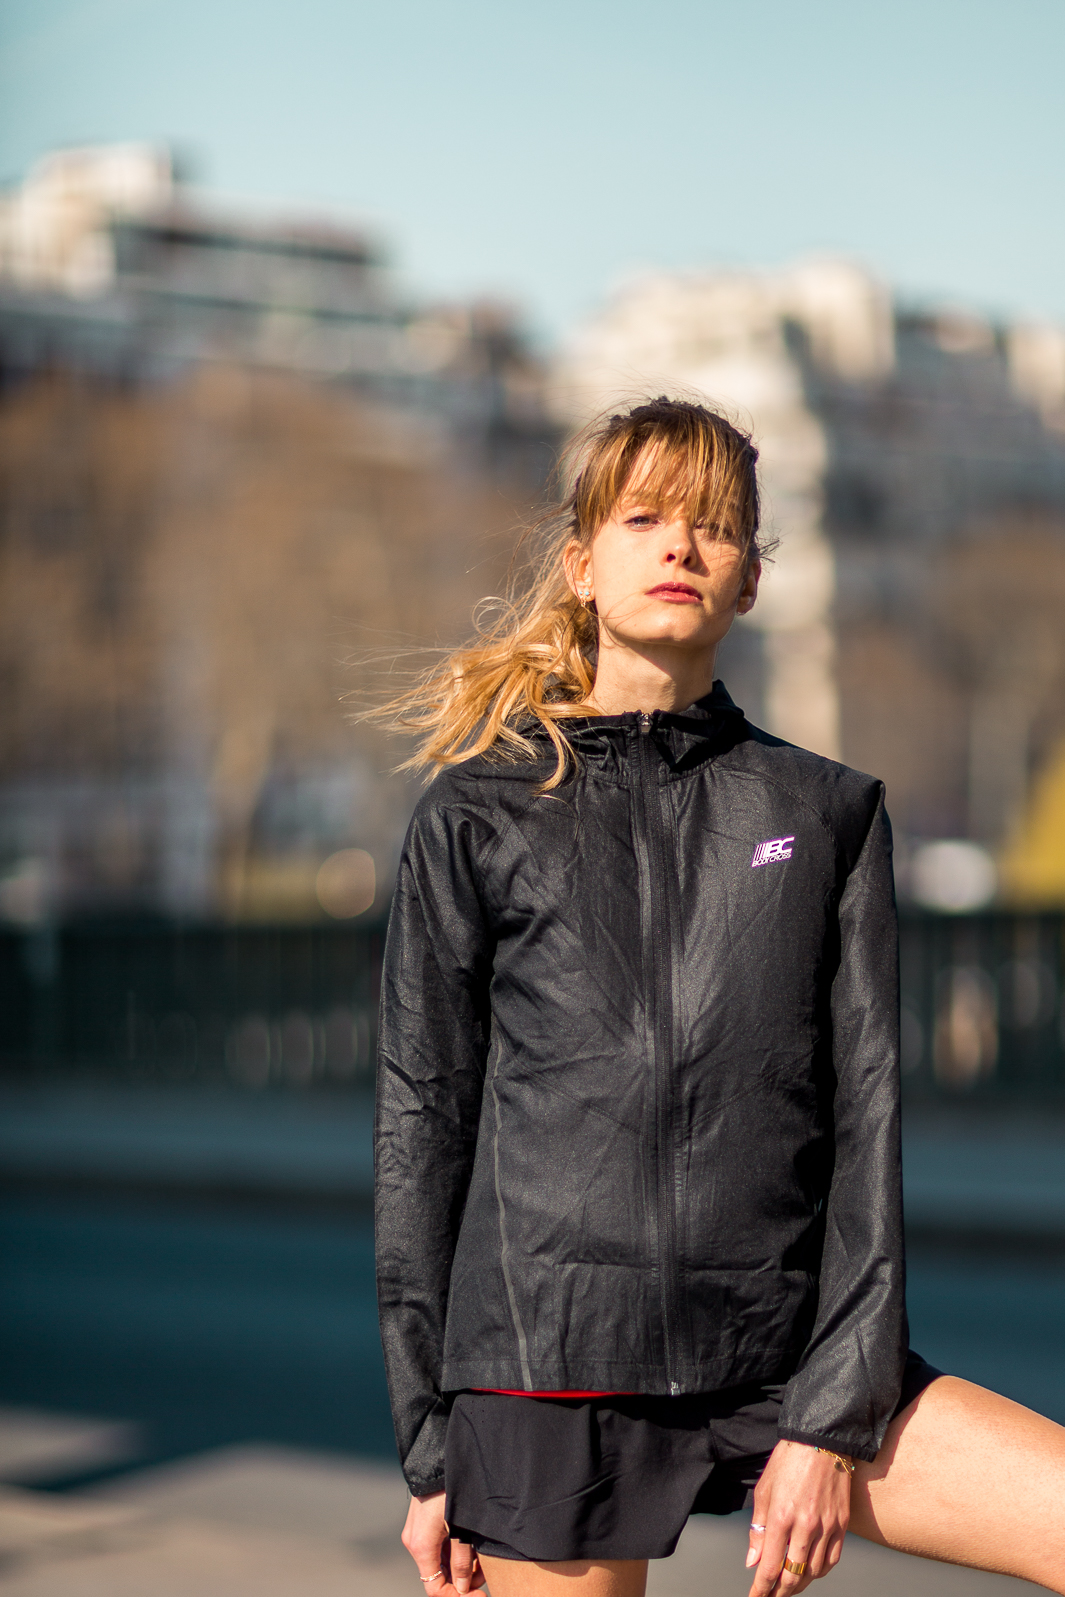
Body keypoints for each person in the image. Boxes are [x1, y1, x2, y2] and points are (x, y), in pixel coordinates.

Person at [373, 397, 1065, 1597]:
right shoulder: (476, 816)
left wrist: (829, 1418)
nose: (680, 547)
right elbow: (423, 1128)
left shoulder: (825, 812)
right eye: (644, 519)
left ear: (750, 580)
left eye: (715, 526)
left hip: (779, 1349)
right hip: (548, 1365)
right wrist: (435, 1450)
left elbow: (864, 1126)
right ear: (582, 565)